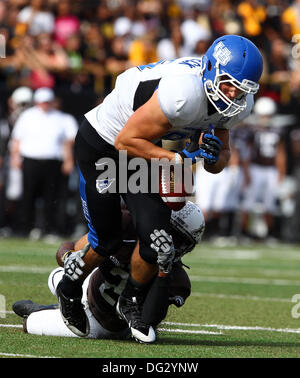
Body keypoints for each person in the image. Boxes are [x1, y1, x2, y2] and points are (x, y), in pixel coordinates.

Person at [56, 34, 263, 344]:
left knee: (157, 242)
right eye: (227, 83)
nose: (232, 94)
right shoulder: (183, 92)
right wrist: (177, 158)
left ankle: (131, 301)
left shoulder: (237, 103)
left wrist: (213, 152)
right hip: (103, 144)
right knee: (107, 239)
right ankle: (68, 289)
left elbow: (218, 162)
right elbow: (124, 141)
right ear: (209, 69)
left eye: (240, 89)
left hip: (144, 148)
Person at [12, 201, 205, 341]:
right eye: (169, 231)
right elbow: (71, 246)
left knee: (30, 324)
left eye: (180, 240)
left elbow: (149, 320)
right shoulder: (126, 227)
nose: (169, 241)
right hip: (89, 286)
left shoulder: (178, 280)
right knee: (57, 275)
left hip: (99, 324)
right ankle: (62, 303)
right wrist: (67, 257)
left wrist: (164, 272)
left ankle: (42, 309)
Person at [9, 87, 78, 237]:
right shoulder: (27, 116)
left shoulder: (61, 118)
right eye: (41, 102)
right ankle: (24, 229)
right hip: (30, 161)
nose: (44, 105)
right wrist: (15, 157)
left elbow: (67, 142)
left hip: (52, 162)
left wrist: (68, 160)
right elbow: (17, 139)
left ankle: (49, 229)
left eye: (47, 102)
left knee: (51, 197)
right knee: (28, 196)